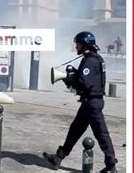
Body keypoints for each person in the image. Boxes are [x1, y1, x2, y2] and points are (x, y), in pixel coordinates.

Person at [43, 31, 118, 172]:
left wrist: (69, 78)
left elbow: (85, 83)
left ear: (84, 44)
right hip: (90, 102)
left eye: (77, 44)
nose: (76, 46)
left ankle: (111, 166)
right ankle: (58, 157)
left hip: (92, 104)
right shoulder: (93, 58)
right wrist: (74, 73)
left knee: (102, 135)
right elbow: (87, 78)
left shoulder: (90, 60)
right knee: (75, 130)